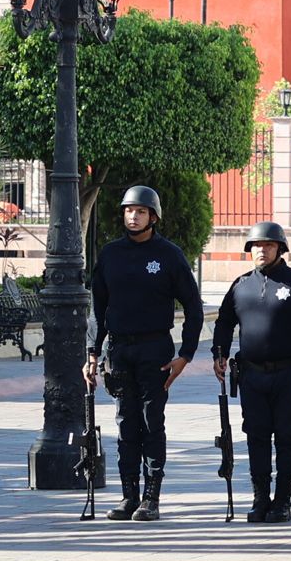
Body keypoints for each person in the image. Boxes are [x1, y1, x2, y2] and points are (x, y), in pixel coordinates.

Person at [85, 185, 204, 522]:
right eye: (128, 211)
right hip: (119, 350)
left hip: (156, 350)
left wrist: (186, 355)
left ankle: (151, 498)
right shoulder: (110, 255)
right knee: (125, 425)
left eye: (140, 211)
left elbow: (194, 309)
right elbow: (97, 309)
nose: (133, 217)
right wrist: (92, 353)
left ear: (153, 216)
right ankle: (128, 496)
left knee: (153, 424)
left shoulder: (169, 255)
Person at [211, 222, 291, 524]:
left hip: (290, 375)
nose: (262, 250)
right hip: (251, 376)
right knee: (256, 436)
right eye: (256, 246)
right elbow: (224, 321)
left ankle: (281, 500)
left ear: (280, 248)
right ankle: (260, 498)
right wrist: (219, 353)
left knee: (288, 438)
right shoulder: (241, 284)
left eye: (268, 245)